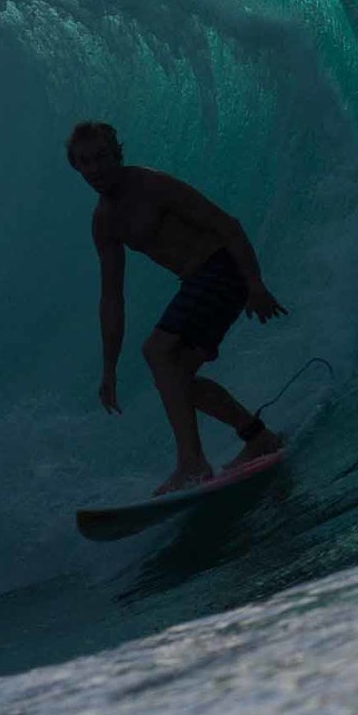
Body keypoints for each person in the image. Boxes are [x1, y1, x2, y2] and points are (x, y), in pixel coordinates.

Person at [68, 120, 287, 494]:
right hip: (199, 283)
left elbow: (226, 225)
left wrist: (255, 284)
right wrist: (109, 367)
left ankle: (191, 463)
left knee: (156, 351)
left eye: (102, 157)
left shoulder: (152, 185)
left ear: (117, 154)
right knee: (177, 377)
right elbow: (111, 297)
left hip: (221, 269)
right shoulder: (104, 220)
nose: (95, 169)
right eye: (85, 162)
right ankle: (258, 437)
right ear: (76, 167)